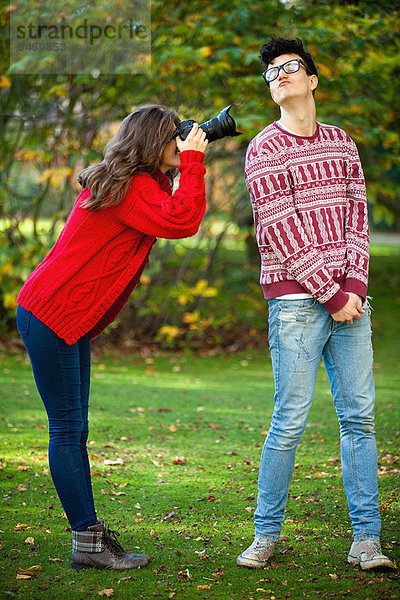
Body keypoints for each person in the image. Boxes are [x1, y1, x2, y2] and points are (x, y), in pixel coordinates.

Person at [16, 104, 208, 570]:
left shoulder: (132, 183)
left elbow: (173, 206)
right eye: (173, 135)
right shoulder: (132, 188)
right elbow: (183, 220)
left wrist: (183, 157)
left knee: (74, 428)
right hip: (54, 313)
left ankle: (90, 537)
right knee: (67, 429)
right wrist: (193, 162)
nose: (180, 141)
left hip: (61, 314)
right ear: (150, 142)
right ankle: (88, 541)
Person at [236, 37, 394, 572]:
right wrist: (330, 293)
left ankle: (367, 540)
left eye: (289, 67)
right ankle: (265, 534)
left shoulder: (343, 144)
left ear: (311, 80)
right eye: (271, 72)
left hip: (350, 301)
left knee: (360, 420)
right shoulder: (264, 147)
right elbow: (280, 227)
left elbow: (358, 218)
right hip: (297, 304)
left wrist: (354, 287)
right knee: (290, 420)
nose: (279, 75)